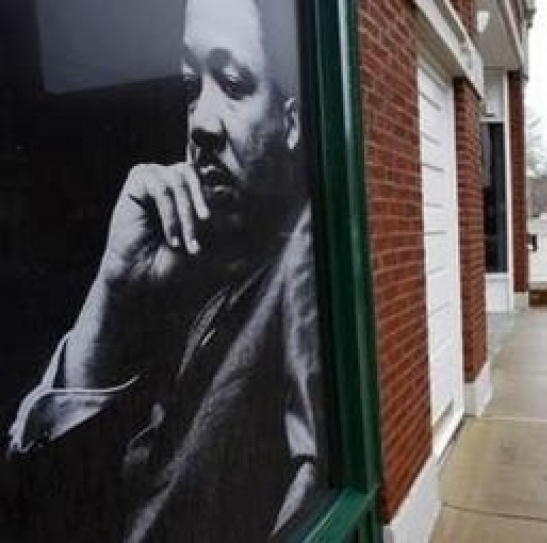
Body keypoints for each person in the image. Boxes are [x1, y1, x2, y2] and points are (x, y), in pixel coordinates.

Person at [4, 0, 327, 541]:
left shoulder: (303, 259)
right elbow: (37, 508)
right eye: (190, 88)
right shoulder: (195, 271)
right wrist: (113, 289)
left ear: (293, 121)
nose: (199, 122)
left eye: (231, 81)